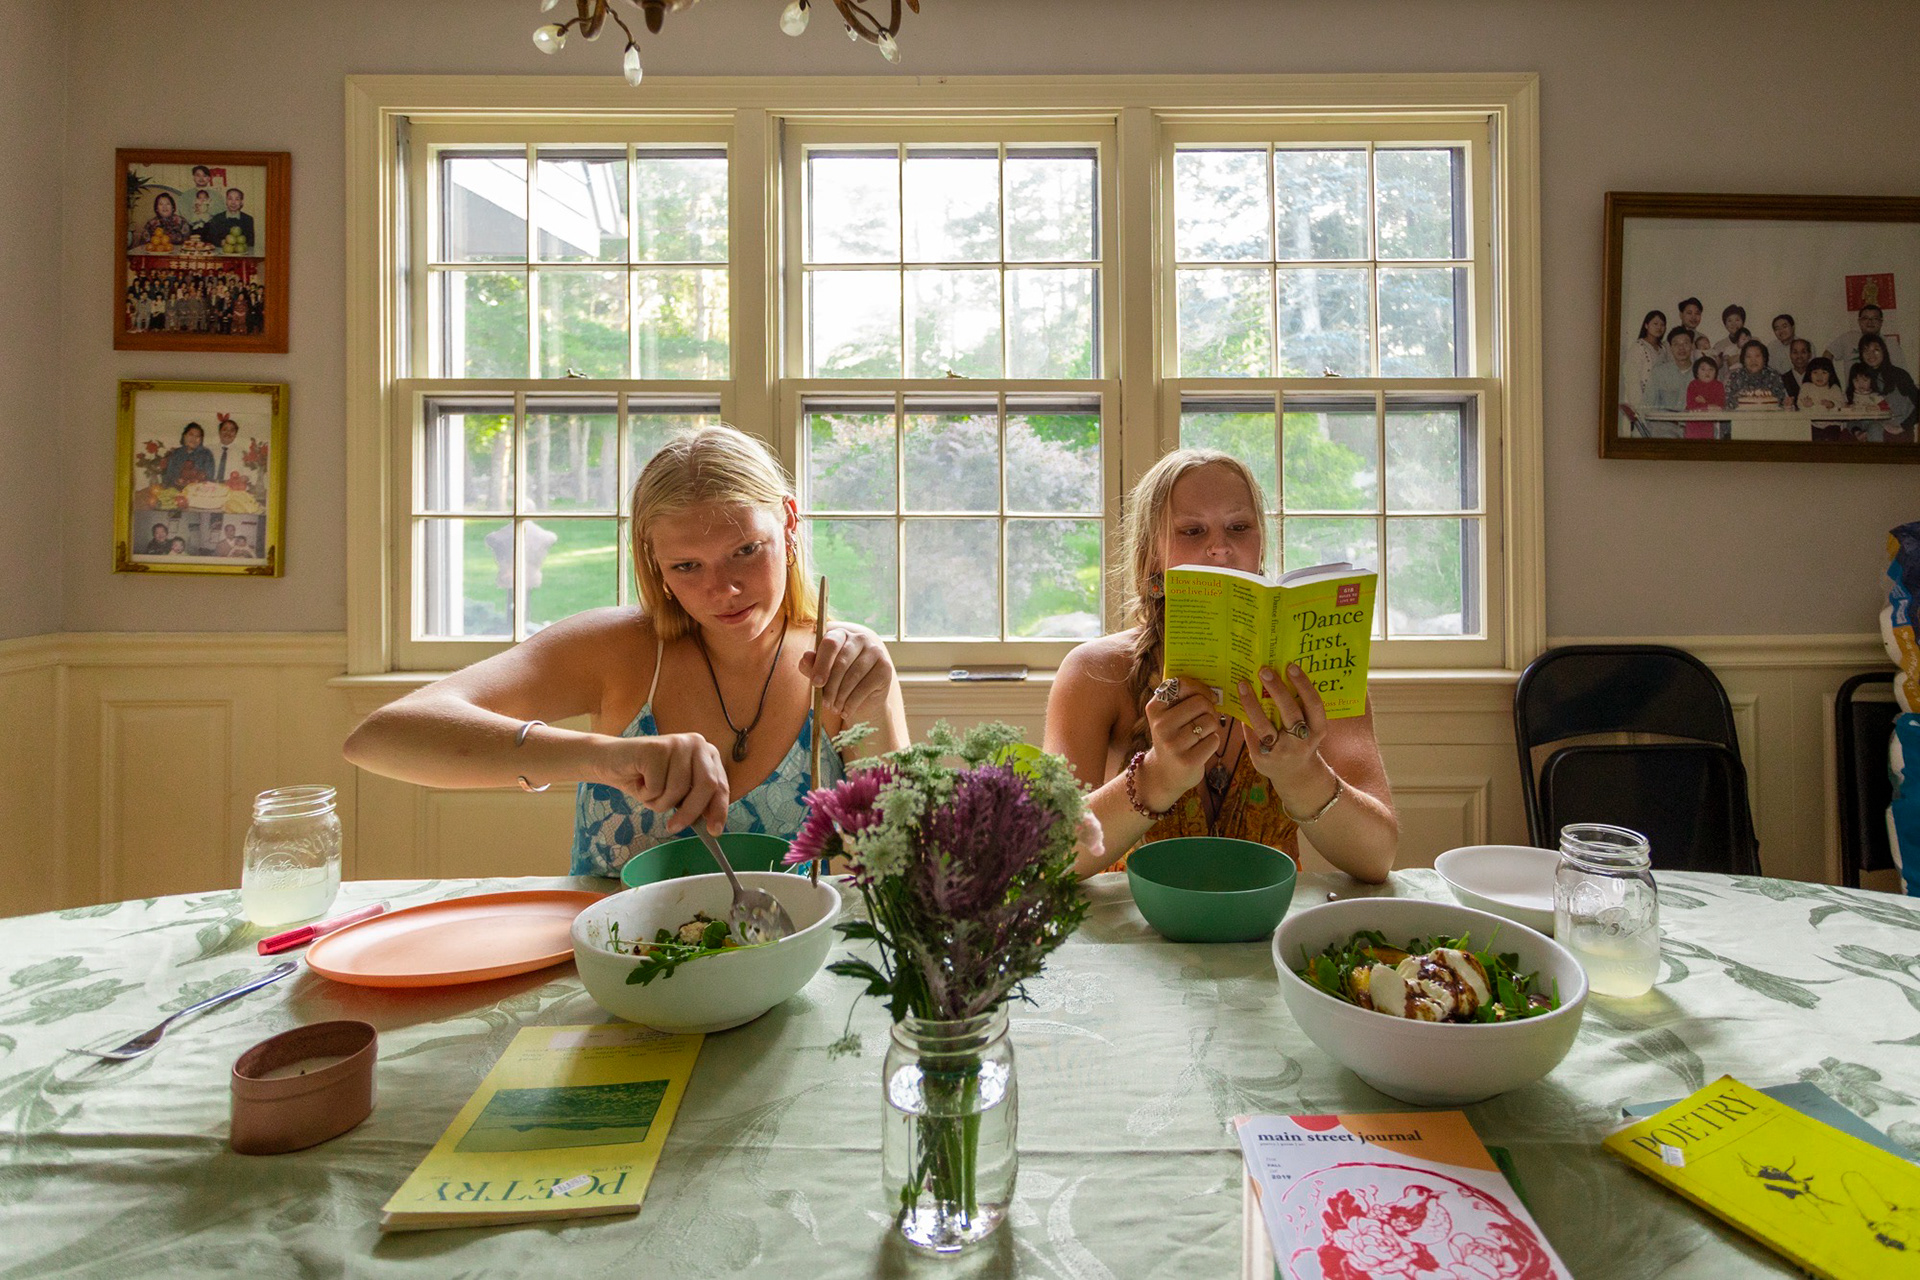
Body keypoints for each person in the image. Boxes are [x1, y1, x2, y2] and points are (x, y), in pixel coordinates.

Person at [344, 424, 910, 877]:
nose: (724, 589)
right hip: (618, 985)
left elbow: (902, 871)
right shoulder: (617, 650)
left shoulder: (841, 665)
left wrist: (877, 702)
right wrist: (606, 758)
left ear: (787, 523)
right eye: (687, 566)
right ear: (653, 560)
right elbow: (381, 737)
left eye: (744, 550)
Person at [1042, 449, 1397, 883]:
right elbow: (1049, 856)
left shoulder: (1313, 668)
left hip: (1265, 931)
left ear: (1260, 543)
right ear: (1152, 555)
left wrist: (1302, 775)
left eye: (1239, 527)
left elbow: (1377, 858)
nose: (1220, 547)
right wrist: (1158, 777)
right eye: (1191, 530)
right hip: (1134, 935)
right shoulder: (1095, 672)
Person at [1858, 334, 1918, 441]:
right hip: (1871, 429)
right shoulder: (1861, 378)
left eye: (1876, 350)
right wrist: (1857, 431)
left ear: (1884, 352)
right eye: (1866, 351)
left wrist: (1902, 427)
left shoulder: (1898, 374)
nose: (1871, 354)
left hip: (1897, 428)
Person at [1637, 326, 1694, 436]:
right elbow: (1646, 406)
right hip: (1664, 431)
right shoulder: (1659, 373)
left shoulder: (1703, 374)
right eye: (1676, 344)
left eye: (1685, 343)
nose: (1681, 348)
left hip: (1694, 431)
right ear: (1670, 347)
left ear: (1692, 346)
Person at [1825, 304, 1906, 377]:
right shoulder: (1849, 338)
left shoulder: (1891, 344)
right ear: (1859, 321)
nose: (1870, 322)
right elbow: (1828, 353)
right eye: (1865, 318)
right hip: (1854, 392)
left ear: (1881, 322)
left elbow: (1900, 372)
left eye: (1875, 318)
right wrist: (1830, 379)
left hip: (1883, 392)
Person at [1621, 310, 1666, 412]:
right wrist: (1638, 407)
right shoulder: (1638, 347)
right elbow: (1632, 379)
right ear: (1646, 325)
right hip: (1643, 402)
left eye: (1662, 325)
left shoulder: (1663, 349)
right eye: (1655, 324)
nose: (1659, 327)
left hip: (1659, 403)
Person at [1723, 340, 1789, 409]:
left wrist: (1786, 403)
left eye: (1757, 356)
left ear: (1764, 358)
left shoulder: (1774, 376)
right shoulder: (1735, 376)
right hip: (1741, 418)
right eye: (1748, 357)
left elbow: (1781, 401)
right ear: (1743, 360)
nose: (1753, 360)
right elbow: (1728, 402)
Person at [1799, 357, 1848, 441]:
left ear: (1830, 374)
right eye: (1815, 372)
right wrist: (1805, 404)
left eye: (1824, 373)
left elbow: (1842, 404)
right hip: (1812, 423)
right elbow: (1799, 403)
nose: (1819, 376)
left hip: (1831, 424)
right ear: (1809, 374)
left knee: (1830, 435)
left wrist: (1832, 404)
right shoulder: (1806, 387)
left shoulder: (1834, 388)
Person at [161, 423, 215, 488]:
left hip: (198, 492)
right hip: (176, 491)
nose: (193, 438)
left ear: (201, 440)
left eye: (197, 436)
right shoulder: (176, 453)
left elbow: (209, 478)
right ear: (185, 436)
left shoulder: (207, 454)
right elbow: (169, 476)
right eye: (191, 435)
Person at [202, 188, 256, 253]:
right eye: (230, 199)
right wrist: (220, 242)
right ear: (226, 201)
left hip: (242, 255)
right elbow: (211, 238)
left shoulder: (248, 219)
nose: (233, 202)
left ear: (241, 202)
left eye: (237, 199)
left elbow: (251, 241)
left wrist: (240, 243)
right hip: (220, 255)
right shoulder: (217, 218)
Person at [1685, 354, 1726, 438]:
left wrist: (1704, 403)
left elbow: (1719, 405)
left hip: (1711, 422)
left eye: (1711, 369)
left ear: (1716, 372)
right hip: (1694, 421)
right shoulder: (1693, 385)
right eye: (1703, 369)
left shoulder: (1718, 385)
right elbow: (1691, 405)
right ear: (1696, 372)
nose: (1707, 372)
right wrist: (1708, 406)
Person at [1709, 305, 1748, 373]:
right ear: (1725, 324)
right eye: (1729, 321)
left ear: (1743, 322)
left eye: (1737, 320)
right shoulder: (1719, 346)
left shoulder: (1753, 342)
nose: (1733, 324)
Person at [1781, 337, 1814, 402]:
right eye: (1795, 352)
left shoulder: (1818, 378)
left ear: (1809, 355)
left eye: (1803, 352)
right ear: (1790, 355)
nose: (1799, 356)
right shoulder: (1782, 380)